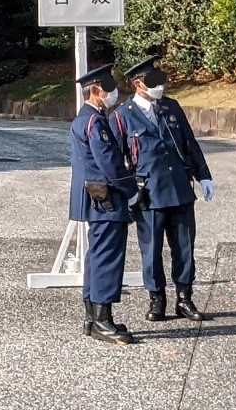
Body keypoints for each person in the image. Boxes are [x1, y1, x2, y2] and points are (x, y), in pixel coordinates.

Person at [110, 56, 214, 322]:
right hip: (149, 194)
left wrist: (204, 176)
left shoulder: (170, 107)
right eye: (153, 82)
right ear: (137, 84)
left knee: (184, 248)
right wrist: (127, 191)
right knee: (151, 250)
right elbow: (114, 159)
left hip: (179, 189)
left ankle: (184, 298)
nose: (159, 87)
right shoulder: (123, 116)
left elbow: (189, 143)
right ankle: (157, 299)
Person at [69, 63, 138, 345]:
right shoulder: (96, 122)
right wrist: (132, 190)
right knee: (108, 258)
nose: (114, 93)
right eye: (109, 88)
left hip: (93, 198)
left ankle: (92, 317)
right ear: (95, 90)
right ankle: (103, 320)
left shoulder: (82, 119)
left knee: (96, 256)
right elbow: (110, 164)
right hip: (106, 199)